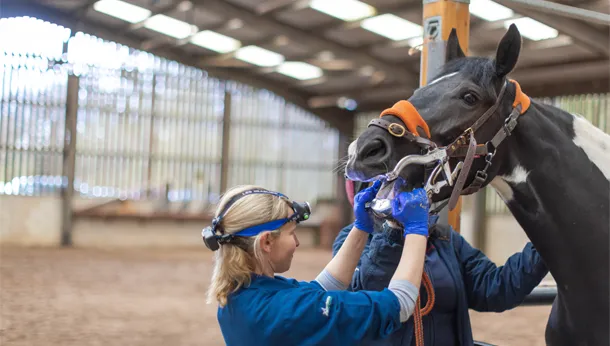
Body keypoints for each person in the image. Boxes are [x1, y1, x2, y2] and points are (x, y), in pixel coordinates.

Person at [204, 183, 432, 346]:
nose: (297, 242)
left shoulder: (237, 295)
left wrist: (362, 226)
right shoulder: (288, 310)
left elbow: (323, 288)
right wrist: (416, 229)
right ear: (266, 241)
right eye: (291, 233)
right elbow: (399, 304)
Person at [333, 180, 550, 346]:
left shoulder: (444, 239)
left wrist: (546, 241)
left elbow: (495, 288)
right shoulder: (353, 240)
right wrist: (396, 233)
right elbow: (367, 289)